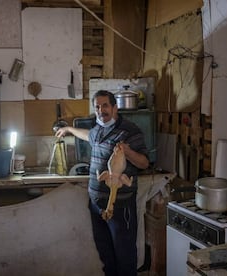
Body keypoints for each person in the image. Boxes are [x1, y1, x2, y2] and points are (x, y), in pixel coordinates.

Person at [55, 90, 149, 276]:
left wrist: (128, 152)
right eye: (97, 106)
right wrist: (68, 130)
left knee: (124, 255)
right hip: (97, 206)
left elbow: (144, 163)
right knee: (106, 255)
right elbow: (88, 135)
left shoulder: (130, 131)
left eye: (105, 105)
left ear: (115, 107)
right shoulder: (98, 129)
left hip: (120, 207)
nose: (101, 110)